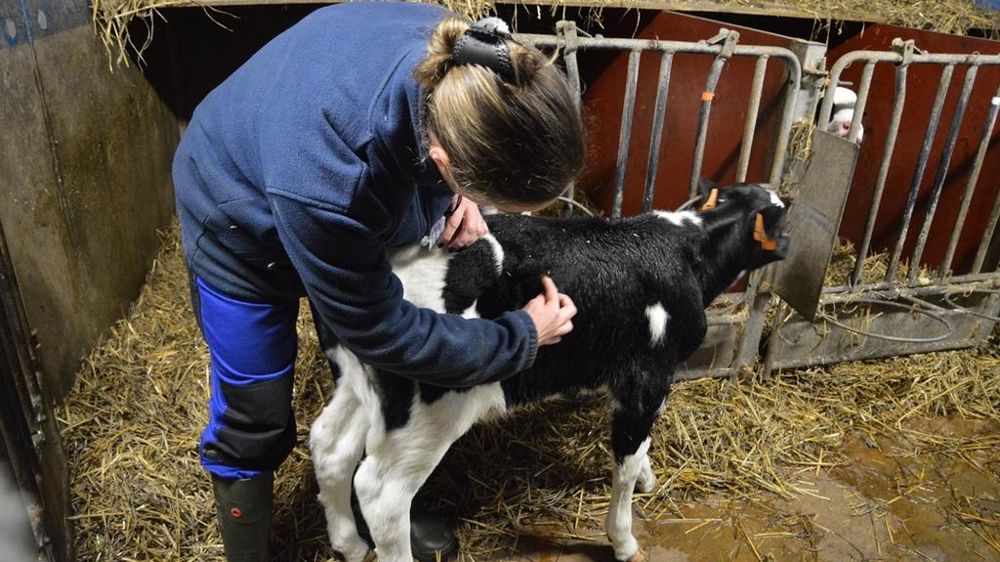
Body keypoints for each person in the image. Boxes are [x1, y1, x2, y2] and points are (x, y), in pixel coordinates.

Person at [171, 2, 584, 561]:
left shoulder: (466, 60)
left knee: (367, 372)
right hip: (238, 223)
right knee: (257, 411)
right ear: (445, 156)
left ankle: (387, 499)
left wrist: (458, 195)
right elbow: (383, 329)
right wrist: (520, 337)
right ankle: (249, 550)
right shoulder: (332, 183)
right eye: (488, 195)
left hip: (343, 174)